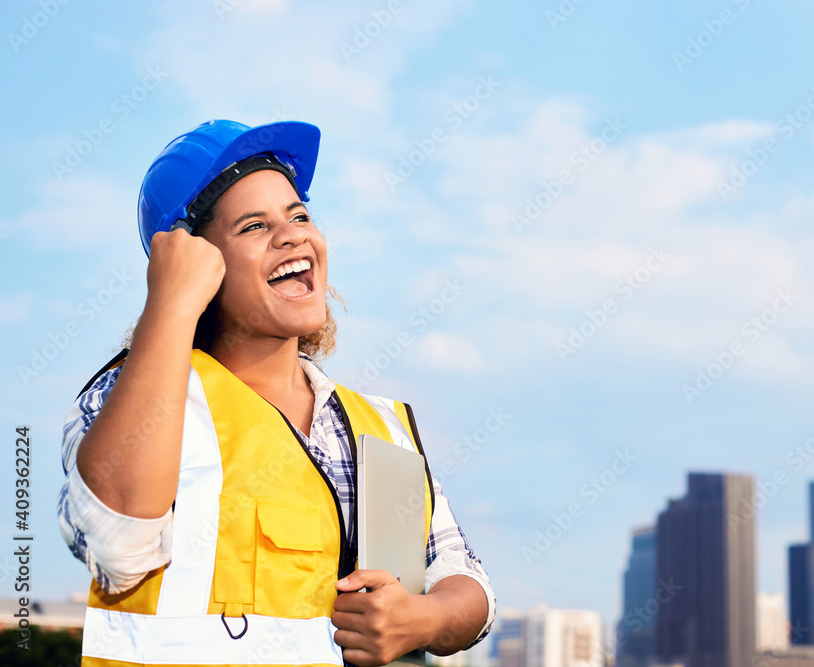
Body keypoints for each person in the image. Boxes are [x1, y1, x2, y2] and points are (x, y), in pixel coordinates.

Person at [57, 119, 494, 667]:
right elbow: (116, 544)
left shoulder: (380, 425)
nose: (293, 235)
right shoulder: (135, 395)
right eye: (253, 226)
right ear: (195, 263)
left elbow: (463, 578)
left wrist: (423, 619)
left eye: (299, 215)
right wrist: (169, 305)